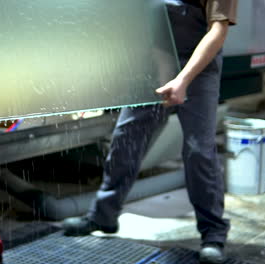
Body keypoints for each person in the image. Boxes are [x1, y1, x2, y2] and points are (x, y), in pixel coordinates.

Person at [62, 0, 238, 263]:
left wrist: (182, 79)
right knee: (126, 138)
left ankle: (213, 235)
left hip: (200, 67)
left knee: (198, 149)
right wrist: (165, 70)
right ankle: (104, 215)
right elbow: (151, 19)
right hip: (157, 59)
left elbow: (218, 32)